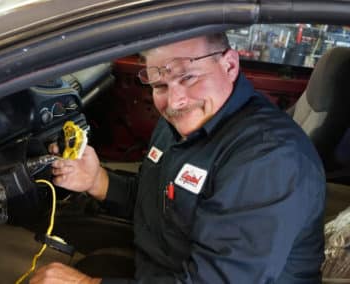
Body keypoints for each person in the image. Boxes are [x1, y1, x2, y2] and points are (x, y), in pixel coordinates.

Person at [30, 33, 326, 284]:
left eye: (188, 77)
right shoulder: (183, 121)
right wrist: (98, 180)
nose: (174, 101)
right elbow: (163, 200)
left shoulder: (268, 158)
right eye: (159, 85)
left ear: (230, 65)